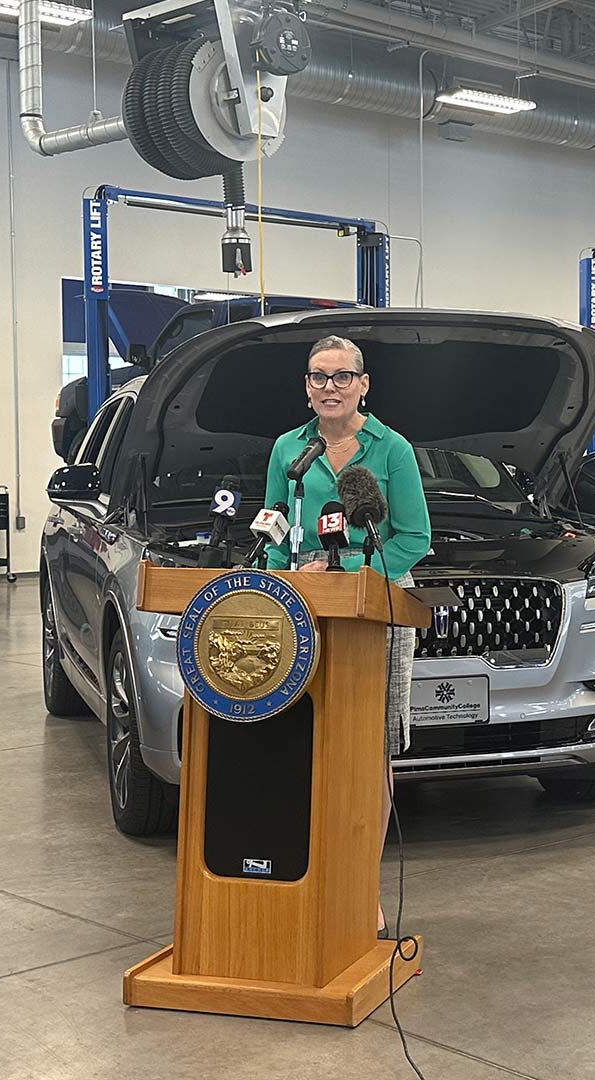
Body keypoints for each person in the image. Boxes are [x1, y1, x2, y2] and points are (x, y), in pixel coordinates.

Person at [262, 334, 431, 934]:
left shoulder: (393, 450)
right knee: (305, 746)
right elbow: (276, 533)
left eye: (341, 377)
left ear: (363, 384)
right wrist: (275, 582)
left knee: (370, 753)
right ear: (306, 387)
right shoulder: (289, 449)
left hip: (376, 614)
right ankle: (306, 876)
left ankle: (363, 885)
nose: (328, 388)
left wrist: (348, 571)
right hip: (303, 614)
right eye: (317, 377)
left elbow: (413, 539)